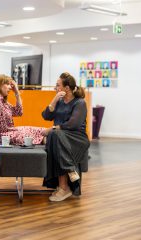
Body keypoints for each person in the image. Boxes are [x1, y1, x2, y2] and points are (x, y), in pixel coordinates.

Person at [41, 72, 90, 202]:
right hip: (60, 137)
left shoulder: (80, 103)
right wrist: (54, 100)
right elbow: (46, 116)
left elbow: (73, 124)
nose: (55, 88)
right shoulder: (59, 101)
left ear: (67, 88)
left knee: (54, 134)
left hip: (76, 137)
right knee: (54, 136)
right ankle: (68, 174)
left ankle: (64, 187)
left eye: (57, 85)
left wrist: (53, 129)